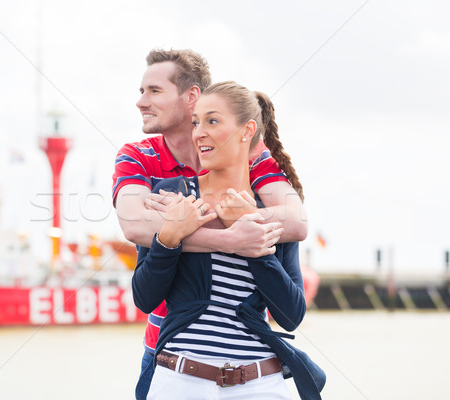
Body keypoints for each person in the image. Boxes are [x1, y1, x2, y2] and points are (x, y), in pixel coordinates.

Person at [112, 49, 308, 399]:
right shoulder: (162, 183)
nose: (199, 133)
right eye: (197, 123)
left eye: (154, 90)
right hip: (176, 366)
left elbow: (295, 229)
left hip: (260, 382)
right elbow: (135, 231)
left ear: (248, 132)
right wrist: (179, 234)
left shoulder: (265, 187)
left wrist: (249, 229)